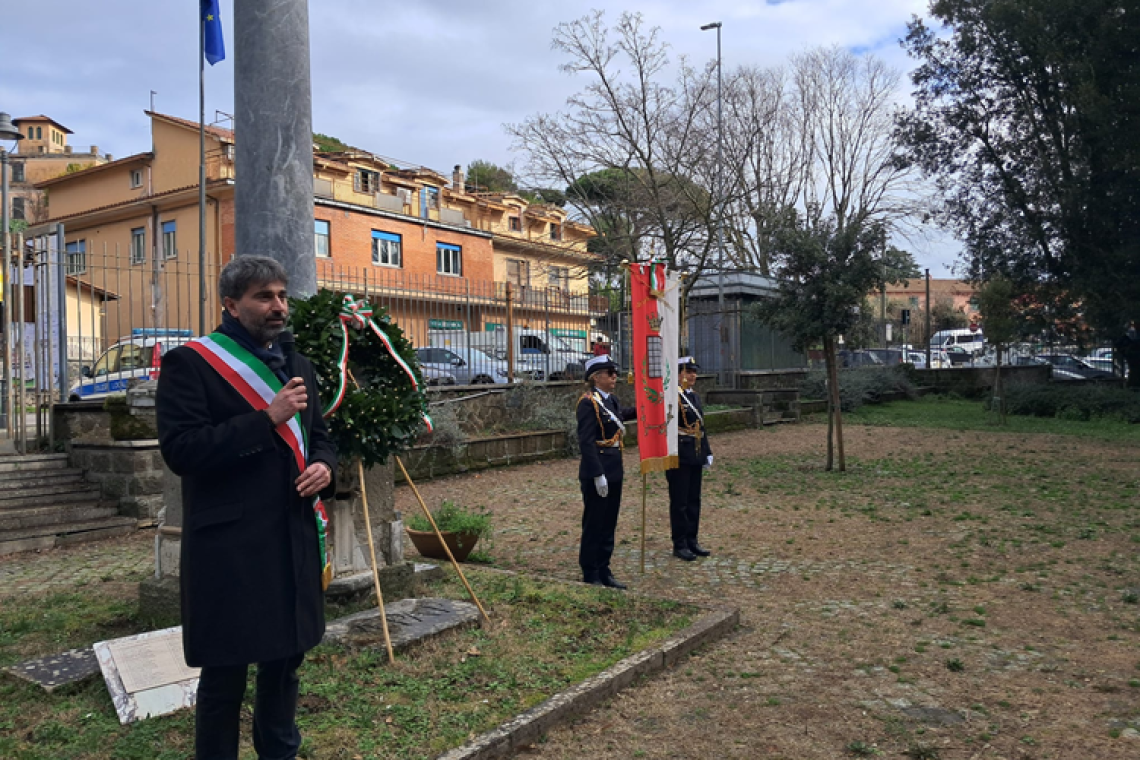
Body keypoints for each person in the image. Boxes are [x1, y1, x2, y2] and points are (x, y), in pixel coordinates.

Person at [156, 256, 337, 760]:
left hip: (291, 541)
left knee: (284, 668)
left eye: (281, 295)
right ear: (231, 304)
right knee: (225, 678)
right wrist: (266, 418)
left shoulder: (297, 365)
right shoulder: (190, 364)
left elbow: (320, 439)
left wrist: (324, 467)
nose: (278, 305)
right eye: (264, 296)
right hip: (230, 550)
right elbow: (182, 451)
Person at [576, 354, 634, 589]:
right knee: (595, 522)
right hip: (597, 470)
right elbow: (586, 442)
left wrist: (649, 406)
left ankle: (604, 567)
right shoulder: (588, 402)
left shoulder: (612, 400)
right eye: (610, 373)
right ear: (596, 377)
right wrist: (597, 474)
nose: (614, 377)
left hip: (614, 468)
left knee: (609, 522)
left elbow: (622, 416)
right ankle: (590, 571)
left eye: (614, 373)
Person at [666, 356, 713, 561]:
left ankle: (692, 539)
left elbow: (700, 427)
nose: (693, 375)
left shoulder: (693, 396)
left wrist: (707, 451)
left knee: (694, 499)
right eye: (688, 371)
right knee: (680, 501)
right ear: (678, 375)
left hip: (695, 452)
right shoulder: (671, 396)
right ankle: (680, 543)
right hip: (679, 453)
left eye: (694, 372)